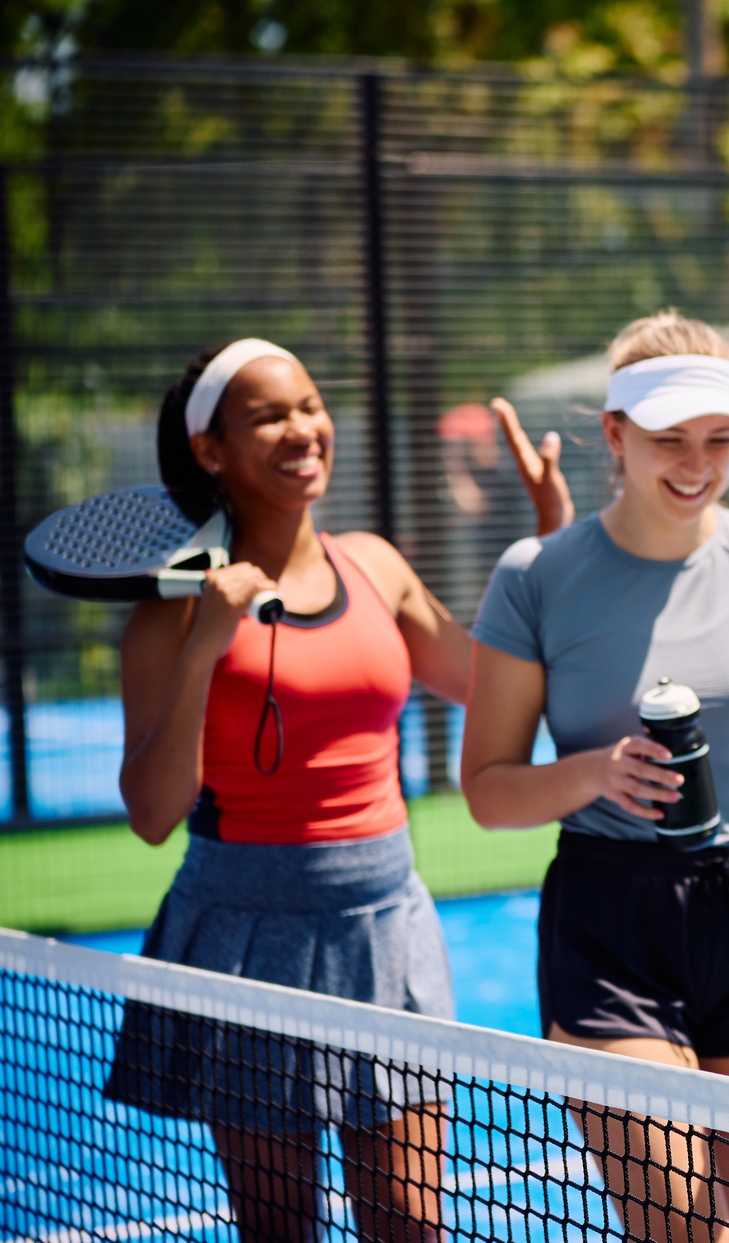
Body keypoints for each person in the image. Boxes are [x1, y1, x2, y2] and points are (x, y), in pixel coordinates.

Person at [106, 339, 572, 1243]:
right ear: (211, 449)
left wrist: (552, 537)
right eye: (268, 416)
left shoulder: (376, 564)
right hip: (242, 932)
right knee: (281, 1232)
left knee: (408, 1226)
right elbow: (153, 814)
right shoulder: (170, 610)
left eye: (310, 405)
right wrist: (207, 641)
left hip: (384, 922)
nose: (302, 429)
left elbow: (492, 682)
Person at [459, 311, 729, 1243]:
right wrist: (593, 772)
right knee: (678, 1229)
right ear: (614, 435)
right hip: (608, 922)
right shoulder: (534, 576)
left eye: (720, 440)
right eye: (670, 440)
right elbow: (489, 787)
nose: (697, 463)